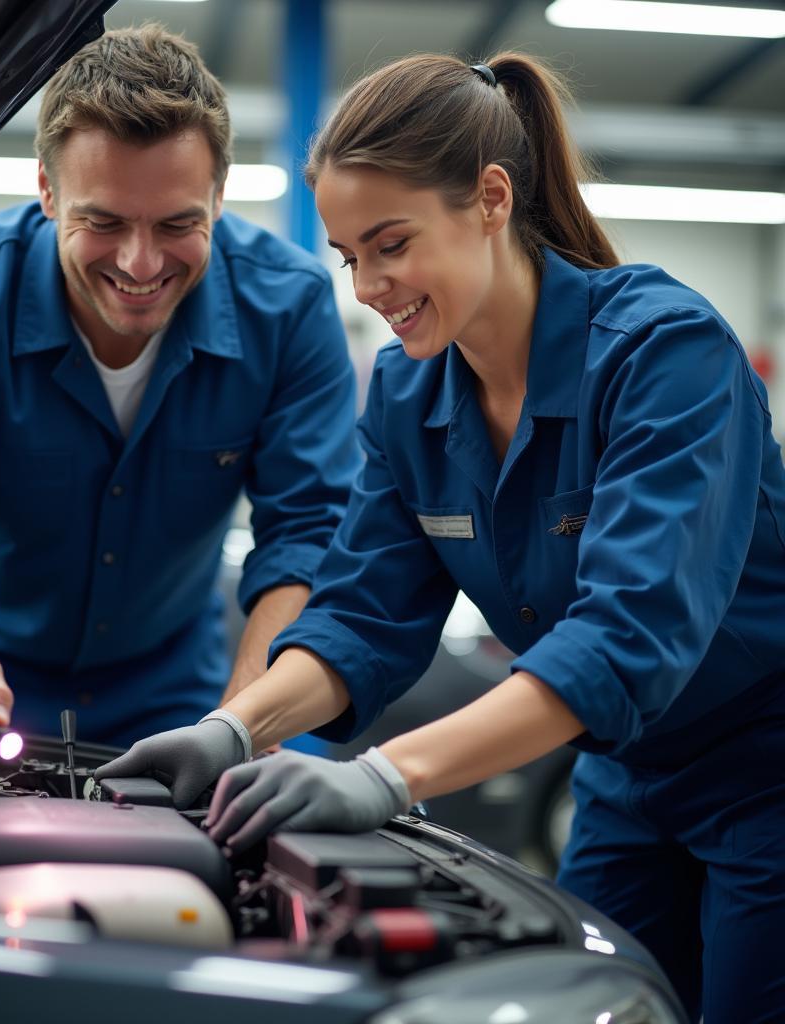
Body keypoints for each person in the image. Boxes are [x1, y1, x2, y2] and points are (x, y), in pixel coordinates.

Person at [96, 53, 785, 1023]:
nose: (369, 285)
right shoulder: (409, 394)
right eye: (348, 257)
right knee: (592, 1002)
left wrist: (386, 776)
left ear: (491, 198)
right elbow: (364, 614)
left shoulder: (663, 356)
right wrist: (235, 727)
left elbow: (627, 637)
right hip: (626, 780)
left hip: (765, 769)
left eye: (391, 244)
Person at [0, 25, 359, 775]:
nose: (140, 263)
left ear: (220, 197)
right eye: (102, 222)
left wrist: (243, 723)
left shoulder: (288, 311)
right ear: (45, 191)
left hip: (173, 703)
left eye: (177, 224)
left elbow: (310, 536)